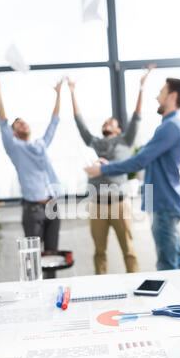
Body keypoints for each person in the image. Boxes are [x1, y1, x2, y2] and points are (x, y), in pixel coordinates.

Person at [85, 75, 180, 271]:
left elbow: (140, 160)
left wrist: (102, 169)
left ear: (172, 95)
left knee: (167, 264)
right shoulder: (169, 126)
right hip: (163, 202)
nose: (158, 97)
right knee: (177, 260)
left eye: (161, 92)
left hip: (164, 203)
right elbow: (143, 158)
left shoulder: (170, 127)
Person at [67, 66, 155, 275]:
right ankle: (100, 288)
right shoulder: (95, 143)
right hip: (97, 205)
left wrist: (142, 87)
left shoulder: (126, 140)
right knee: (99, 252)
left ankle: (137, 284)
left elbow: (137, 117)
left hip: (120, 203)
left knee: (129, 250)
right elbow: (80, 125)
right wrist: (72, 92)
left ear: (118, 129)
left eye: (111, 122)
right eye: (105, 122)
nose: (106, 123)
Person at [0, 67, 63, 261]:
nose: (23, 124)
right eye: (18, 124)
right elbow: (2, 121)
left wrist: (58, 94)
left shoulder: (41, 145)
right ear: (13, 132)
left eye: (24, 122)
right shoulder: (14, 147)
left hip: (52, 205)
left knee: (52, 257)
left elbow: (53, 123)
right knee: (33, 259)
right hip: (33, 210)